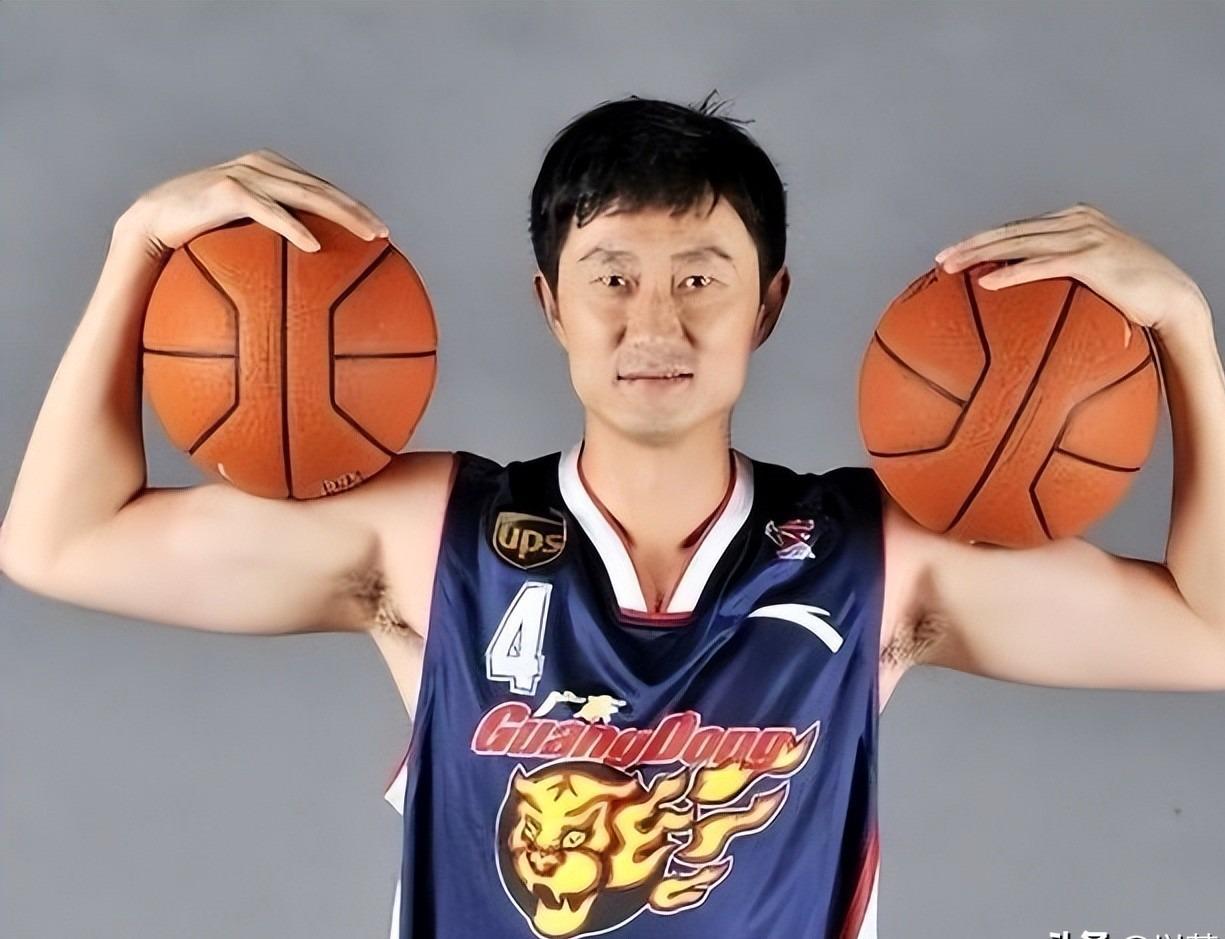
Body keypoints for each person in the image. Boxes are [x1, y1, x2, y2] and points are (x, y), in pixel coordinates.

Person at [2, 92, 1222, 939]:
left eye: (700, 277)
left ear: (768, 304)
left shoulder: (874, 559)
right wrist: (134, 248)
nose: (655, 322)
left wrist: (1183, 336)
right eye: (612, 277)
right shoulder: (430, 537)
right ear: (550, 302)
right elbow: (59, 542)